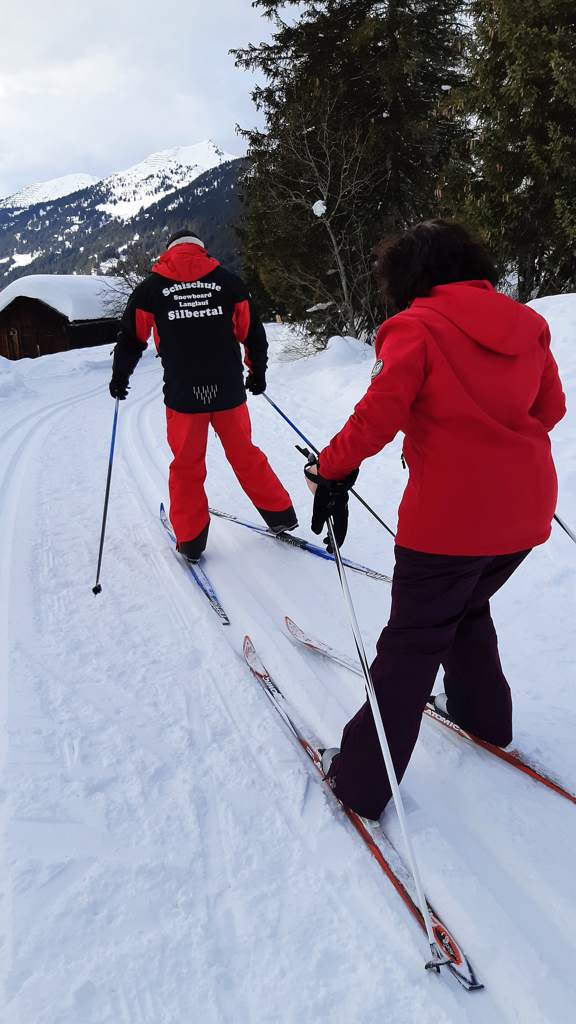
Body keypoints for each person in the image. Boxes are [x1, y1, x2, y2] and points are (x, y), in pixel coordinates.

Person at [305, 220, 566, 821]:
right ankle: (483, 717)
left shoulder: (414, 328)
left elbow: (377, 414)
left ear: (408, 277)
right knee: (467, 604)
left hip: (448, 525)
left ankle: (362, 782)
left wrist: (330, 468)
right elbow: (549, 407)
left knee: (411, 645)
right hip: (524, 515)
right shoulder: (528, 324)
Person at [109, 229, 297, 560]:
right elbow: (252, 332)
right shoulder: (228, 282)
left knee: (187, 466)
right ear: (201, 250)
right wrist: (257, 372)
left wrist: (120, 376)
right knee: (245, 454)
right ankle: (280, 515)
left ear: (169, 253)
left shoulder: (150, 289)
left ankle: (192, 540)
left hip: (184, 397)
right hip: (228, 391)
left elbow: (130, 338)